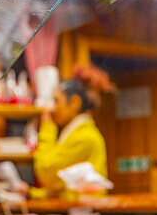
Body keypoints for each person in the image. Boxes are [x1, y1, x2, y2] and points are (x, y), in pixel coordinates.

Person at [31, 65, 113, 199]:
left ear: (74, 103)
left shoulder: (84, 137)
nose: (52, 108)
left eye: (57, 100)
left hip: (83, 213)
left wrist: (47, 127)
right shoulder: (77, 133)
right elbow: (61, 188)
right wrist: (29, 193)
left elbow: (45, 172)